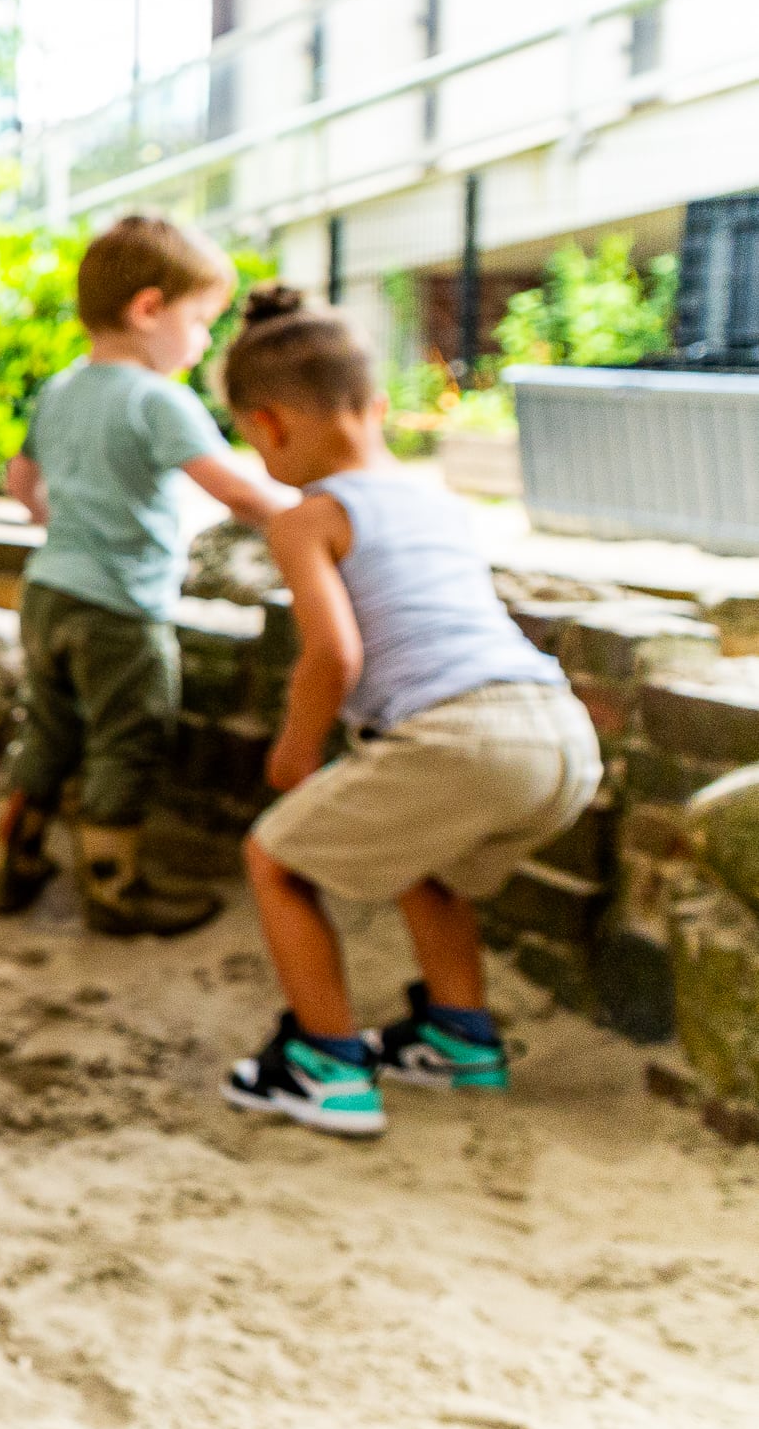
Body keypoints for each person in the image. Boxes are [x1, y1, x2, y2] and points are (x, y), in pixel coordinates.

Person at [216, 288, 597, 1137]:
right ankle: (459, 1039)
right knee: (426, 856)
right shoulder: (437, 500)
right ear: (378, 407)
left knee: (275, 858)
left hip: (461, 736)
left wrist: (296, 749)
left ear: (268, 426)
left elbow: (334, 654)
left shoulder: (308, 517)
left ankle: (325, 1065)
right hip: (559, 734)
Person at [0, 213, 297, 936]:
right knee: (128, 738)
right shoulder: (157, 398)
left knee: (48, 730)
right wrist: (316, 513)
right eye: (200, 320)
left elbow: (21, 478)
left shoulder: (61, 389)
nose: (202, 342)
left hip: (48, 592)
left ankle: (14, 863)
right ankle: (115, 888)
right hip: (120, 609)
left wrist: (54, 520)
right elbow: (240, 492)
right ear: (149, 308)